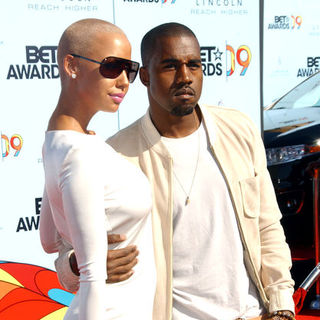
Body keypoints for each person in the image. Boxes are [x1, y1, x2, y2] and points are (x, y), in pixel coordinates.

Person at [50, 22, 296, 320]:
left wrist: (282, 306)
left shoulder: (239, 130)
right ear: (144, 76)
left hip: (251, 314)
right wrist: (79, 264)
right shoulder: (114, 154)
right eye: (170, 66)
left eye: (194, 65)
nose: (185, 77)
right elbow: (63, 250)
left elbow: (267, 227)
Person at [39, 18, 156, 320]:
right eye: (111, 67)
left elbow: (49, 240)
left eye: (128, 69)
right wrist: (87, 259)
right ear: (72, 66)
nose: (124, 81)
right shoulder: (81, 153)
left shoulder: (58, 142)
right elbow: (91, 278)